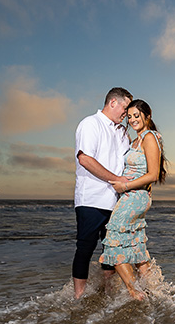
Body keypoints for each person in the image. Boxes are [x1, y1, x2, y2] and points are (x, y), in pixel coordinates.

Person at [99, 99, 168, 301]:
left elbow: (153, 174)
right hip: (133, 196)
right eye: (129, 117)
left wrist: (124, 186)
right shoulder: (136, 140)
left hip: (135, 196)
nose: (132, 120)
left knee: (113, 240)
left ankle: (134, 292)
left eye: (136, 115)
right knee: (135, 244)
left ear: (147, 116)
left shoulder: (149, 137)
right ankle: (155, 292)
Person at [72, 87, 133, 299]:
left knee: (112, 251)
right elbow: (85, 159)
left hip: (116, 202)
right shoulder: (91, 124)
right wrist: (115, 179)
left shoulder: (122, 133)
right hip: (91, 198)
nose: (126, 113)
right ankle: (78, 297)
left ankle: (108, 294)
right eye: (125, 108)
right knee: (85, 248)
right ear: (112, 102)